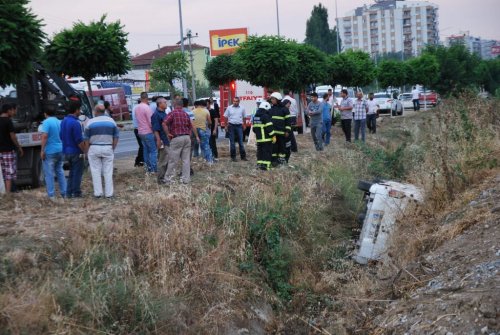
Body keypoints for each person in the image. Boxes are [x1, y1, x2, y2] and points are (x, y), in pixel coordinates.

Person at [83, 104, 119, 198]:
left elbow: (86, 138)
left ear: (96, 112)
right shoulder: (111, 122)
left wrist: (87, 151)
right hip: (108, 147)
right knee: (108, 171)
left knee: (95, 171)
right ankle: (109, 194)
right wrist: (113, 147)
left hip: (94, 148)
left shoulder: (90, 122)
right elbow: (116, 136)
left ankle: (98, 193)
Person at [162, 99, 199, 184]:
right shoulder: (186, 114)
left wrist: (168, 133)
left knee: (173, 160)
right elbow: (191, 126)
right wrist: (189, 135)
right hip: (186, 138)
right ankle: (186, 179)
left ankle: (169, 179)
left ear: (174, 104)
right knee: (186, 160)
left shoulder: (172, 113)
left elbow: (164, 123)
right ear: (182, 106)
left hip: (176, 138)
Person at [60, 98, 86, 198]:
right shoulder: (75, 123)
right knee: (77, 173)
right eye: (79, 110)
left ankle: (68, 192)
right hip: (76, 151)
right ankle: (76, 192)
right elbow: (79, 140)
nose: (80, 112)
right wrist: (85, 151)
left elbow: (61, 136)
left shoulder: (64, 121)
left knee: (71, 173)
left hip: (66, 151)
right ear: (76, 110)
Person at [40, 107, 66, 200]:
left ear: (45, 114)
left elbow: (45, 136)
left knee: (49, 173)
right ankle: (64, 193)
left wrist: (42, 150)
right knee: (60, 171)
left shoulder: (46, 122)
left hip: (50, 150)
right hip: (60, 149)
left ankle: (51, 195)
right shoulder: (60, 122)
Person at [0, 103, 23, 194]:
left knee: (1, 173)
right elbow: (13, 136)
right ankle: (8, 193)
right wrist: (19, 147)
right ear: (9, 110)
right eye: (13, 110)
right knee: (8, 173)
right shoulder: (8, 121)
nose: (14, 112)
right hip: (8, 150)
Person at [135, 92, 157, 173]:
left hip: (140, 132)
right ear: (147, 99)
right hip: (148, 132)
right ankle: (153, 169)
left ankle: (147, 169)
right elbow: (151, 122)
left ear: (141, 98)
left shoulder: (137, 108)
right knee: (153, 151)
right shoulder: (147, 108)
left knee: (145, 151)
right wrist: (155, 131)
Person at [269, 92, 291, 165]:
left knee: (282, 148)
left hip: (282, 133)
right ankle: (274, 161)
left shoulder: (284, 109)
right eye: (271, 99)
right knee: (274, 148)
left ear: (277, 99)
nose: (271, 100)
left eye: (273, 99)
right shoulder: (271, 109)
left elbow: (288, 121)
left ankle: (281, 161)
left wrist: (287, 131)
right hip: (273, 133)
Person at [152, 97, 170, 183]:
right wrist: (159, 140)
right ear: (160, 104)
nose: (166, 104)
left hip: (167, 139)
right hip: (162, 140)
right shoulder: (156, 115)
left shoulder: (164, 113)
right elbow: (155, 129)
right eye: (165, 102)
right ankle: (161, 179)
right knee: (162, 160)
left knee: (167, 159)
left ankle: (165, 177)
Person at [252, 101, 275, 170]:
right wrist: (273, 135)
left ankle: (259, 165)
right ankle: (266, 166)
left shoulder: (256, 116)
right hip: (266, 138)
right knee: (267, 152)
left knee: (260, 152)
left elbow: (254, 129)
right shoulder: (265, 116)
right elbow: (269, 128)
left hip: (259, 139)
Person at [224, 96, 247, 162]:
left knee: (241, 142)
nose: (235, 102)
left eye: (236, 101)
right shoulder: (229, 108)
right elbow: (225, 117)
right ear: (233, 101)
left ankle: (243, 157)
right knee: (232, 142)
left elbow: (244, 117)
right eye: (234, 101)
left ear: (239, 102)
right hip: (231, 126)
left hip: (239, 126)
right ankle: (233, 157)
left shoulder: (242, 108)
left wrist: (244, 125)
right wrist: (225, 126)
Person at [192, 99, 213, 163]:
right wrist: (209, 127)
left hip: (194, 130)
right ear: (202, 105)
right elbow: (209, 122)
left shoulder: (192, 111)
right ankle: (209, 160)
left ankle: (196, 159)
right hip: (203, 130)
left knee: (195, 145)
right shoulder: (206, 111)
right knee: (205, 145)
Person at [281, 99, 297, 163]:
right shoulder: (283, 111)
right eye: (288, 106)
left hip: (287, 130)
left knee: (289, 142)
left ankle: (292, 150)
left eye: (289, 106)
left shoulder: (286, 110)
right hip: (284, 131)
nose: (289, 107)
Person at [131, 99, 144, 167]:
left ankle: (139, 161)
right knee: (142, 146)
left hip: (136, 129)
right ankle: (139, 161)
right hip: (140, 129)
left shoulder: (134, 108)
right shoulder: (139, 108)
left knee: (141, 146)